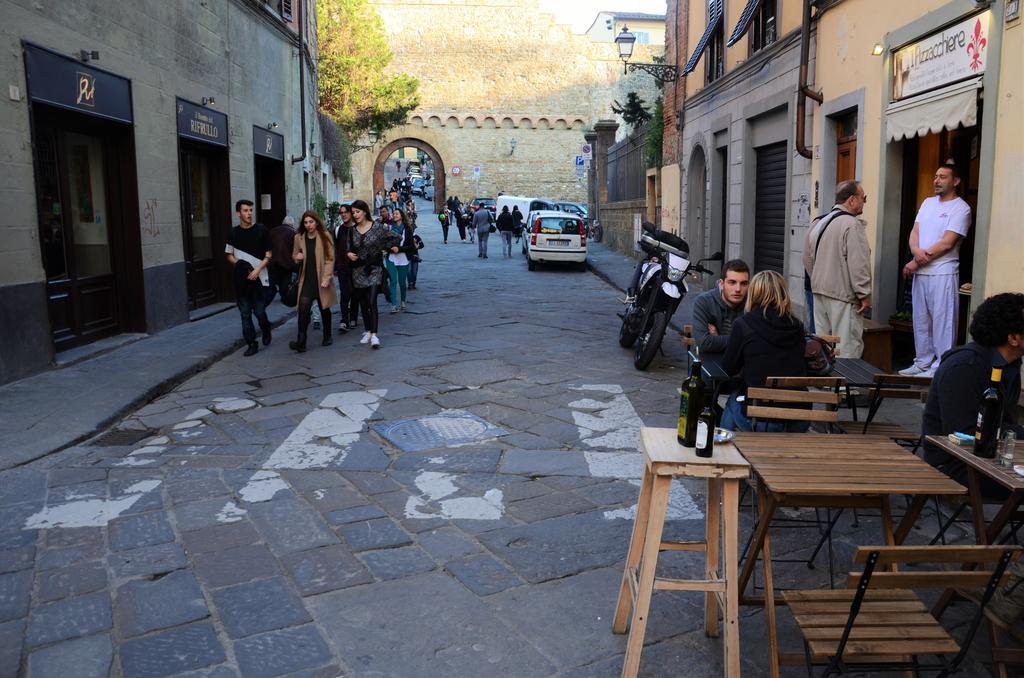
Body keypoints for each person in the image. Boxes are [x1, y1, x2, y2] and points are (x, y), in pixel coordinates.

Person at [922, 293, 1023, 488]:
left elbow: (1002, 423)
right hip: (953, 463)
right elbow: (963, 433)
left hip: (991, 456)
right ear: (1012, 338)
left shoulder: (1010, 366)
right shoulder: (964, 367)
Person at [900, 162, 973, 376]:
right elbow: (914, 233)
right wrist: (916, 251)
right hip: (922, 272)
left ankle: (941, 365)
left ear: (956, 181)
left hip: (943, 271)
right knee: (921, 320)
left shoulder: (961, 208)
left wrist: (917, 260)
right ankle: (922, 361)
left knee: (943, 321)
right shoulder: (928, 203)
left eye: (942, 177)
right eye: (935, 176)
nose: (936, 181)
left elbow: (947, 242)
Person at [720, 270, 809, 432]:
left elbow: (728, 368)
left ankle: (723, 451)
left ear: (754, 293)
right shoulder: (797, 325)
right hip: (798, 419)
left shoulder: (744, 324)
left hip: (758, 419)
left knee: (733, 400)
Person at [803, 180, 872, 359]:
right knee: (846, 346)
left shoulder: (820, 222)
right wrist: (863, 293)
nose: (864, 202)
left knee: (823, 344)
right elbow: (859, 264)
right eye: (863, 198)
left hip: (819, 292)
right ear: (851, 200)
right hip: (843, 296)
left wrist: (818, 278)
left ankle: (826, 383)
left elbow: (807, 257)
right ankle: (845, 387)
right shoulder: (852, 224)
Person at [347, 199, 400, 349]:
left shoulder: (378, 228)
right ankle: (368, 330)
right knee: (363, 302)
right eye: (353, 213)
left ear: (365, 211)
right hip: (358, 270)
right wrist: (349, 254)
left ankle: (375, 335)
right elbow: (349, 248)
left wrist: (385, 247)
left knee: (372, 300)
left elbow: (396, 237)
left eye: (357, 212)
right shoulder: (352, 231)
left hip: (375, 268)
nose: (355, 215)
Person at [225, 199, 272, 356]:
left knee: (259, 311)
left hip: (259, 278)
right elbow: (229, 255)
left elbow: (269, 255)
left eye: (251, 210)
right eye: (245, 211)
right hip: (241, 281)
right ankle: (251, 343)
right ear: (238, 213)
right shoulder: (233, 232)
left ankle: (266, 328)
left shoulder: (261, 230)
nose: (249, 213)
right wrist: (241, 265)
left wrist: (257, 270)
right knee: (245, 313)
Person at [288, 211, 336, 352]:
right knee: (303, 311)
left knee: (324, 309)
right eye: (306, 222)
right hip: (306, 280)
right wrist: (298, 257)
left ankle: (327, 336)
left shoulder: (325, 236)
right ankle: (301, 342)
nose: (308, 225)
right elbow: (294, 256)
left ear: (316, 222)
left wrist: (326, 278)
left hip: (321, 279)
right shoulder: (299, 237)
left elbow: (330, 258)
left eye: (311, 222)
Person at [691, 259, 751, 353]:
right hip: (709, 361)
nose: (738, 289)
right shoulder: (704, 302)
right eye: (732, 282)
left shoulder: (752, 303)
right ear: (722, 284)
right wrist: (744, 339)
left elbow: (760, 342)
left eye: (743, 283)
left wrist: (718, 338)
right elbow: (704, 343)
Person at [331, 204, 356, 333]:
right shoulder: (337, 230)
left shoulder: (357, 229)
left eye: (346, 212)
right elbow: (334, 249)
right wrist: (334, 266)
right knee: (345, 293)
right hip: (342, 267)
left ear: (351, 213)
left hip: (357, 267)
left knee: (355, 293)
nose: (344, 215)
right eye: (341, 213)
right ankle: (344, 320)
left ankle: (353, 317)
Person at [386, 208, 415, 313]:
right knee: (393, 281)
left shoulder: (407, 228)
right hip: (391, 258)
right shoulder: (389, 228)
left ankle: (403, 301)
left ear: (402, 216)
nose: (394, 215)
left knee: (402, 282)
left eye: (397, 213)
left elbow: (411, 246)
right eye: (393, 213)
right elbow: (384, 243)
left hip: (403, 258)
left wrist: (400, 249)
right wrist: (390, 249)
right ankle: (393, 305)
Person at [265, 215, 297, 305]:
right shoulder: (293, 233)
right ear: (292, 224)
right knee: (284, 284)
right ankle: (286, 299)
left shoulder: (272, 231)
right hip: (286, 264)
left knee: (271, 283)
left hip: (272, 263)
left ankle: (265, 301)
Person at [408, 225, 424, 290]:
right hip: (408, 256)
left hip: (415, 256)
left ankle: (413, 283)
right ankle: (410, 283)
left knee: (414, 272)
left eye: (412, 229)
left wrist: (418, 246)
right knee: (408, 271)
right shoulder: (405, 236)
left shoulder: (417, 237)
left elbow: (422, 245)